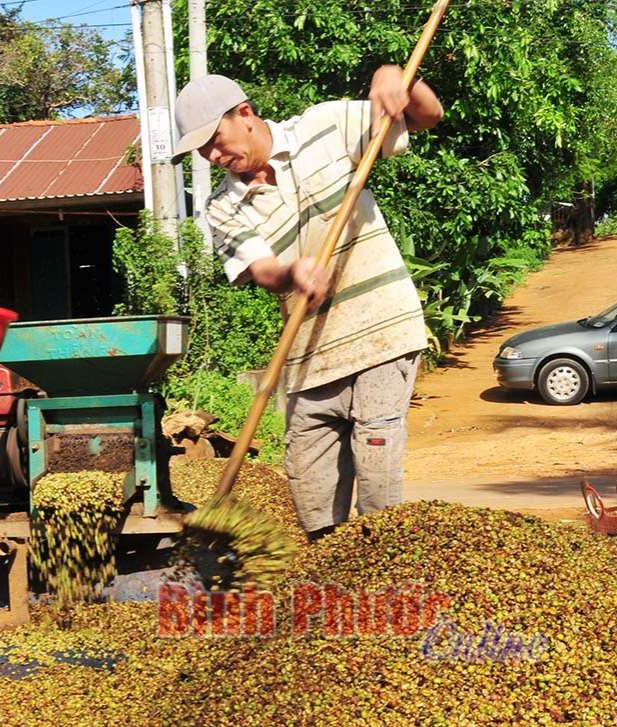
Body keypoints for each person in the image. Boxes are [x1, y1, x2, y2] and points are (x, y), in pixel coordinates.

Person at [171, 69, 444, 540]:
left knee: (377, 480)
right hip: (307, 360)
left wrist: (394, 78)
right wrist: (291, 274)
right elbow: (261, 270)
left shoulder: (325, 126)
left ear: (245, 114)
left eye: (215, 140)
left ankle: (386, 577)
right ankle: (332, 585)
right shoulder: (222, 207)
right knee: (312, 495)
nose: (213, 156)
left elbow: (426, 115)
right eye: (201, 150)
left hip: (382, 331)